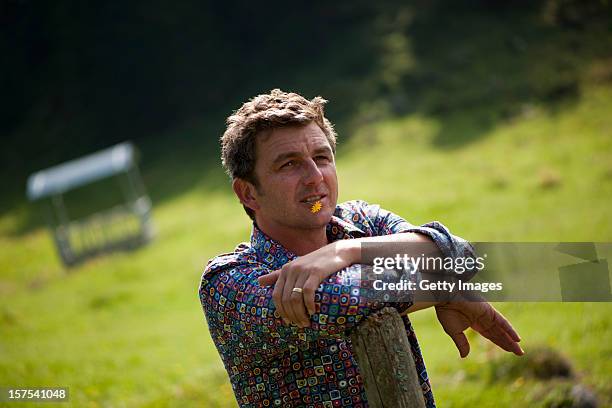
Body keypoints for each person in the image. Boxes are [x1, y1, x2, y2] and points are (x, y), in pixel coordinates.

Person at [198, 89, 523, 408]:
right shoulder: (231, 282)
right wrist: (447, 290)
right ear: (248, 193)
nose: (315, 177)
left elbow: (463, 255)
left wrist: (347, 253)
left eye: (322, 157)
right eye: (288, 165)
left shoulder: (363, 222)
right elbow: (344, 300)